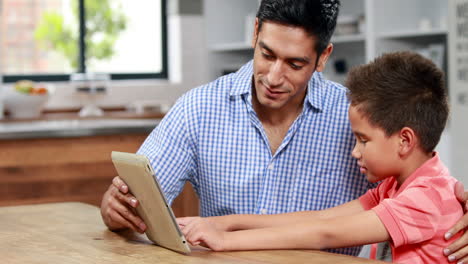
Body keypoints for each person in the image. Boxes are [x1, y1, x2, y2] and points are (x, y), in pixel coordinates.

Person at [100, 0, 468, 260]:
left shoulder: (358, 115)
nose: (275, 77)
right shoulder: (199, 109)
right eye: (268, 54)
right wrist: (117, 208)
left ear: (323, 57)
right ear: (255, 32)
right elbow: (137, 201)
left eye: (294, 63)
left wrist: (463, 209)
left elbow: (424, 184)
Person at [176, 51, 462, 263]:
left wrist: (224, 241)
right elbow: (319, 217)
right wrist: (225, 223)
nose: (355, 151)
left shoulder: (424, 198)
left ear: (404, 140)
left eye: (363, 140)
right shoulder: (398, 187)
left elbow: (325, 234)